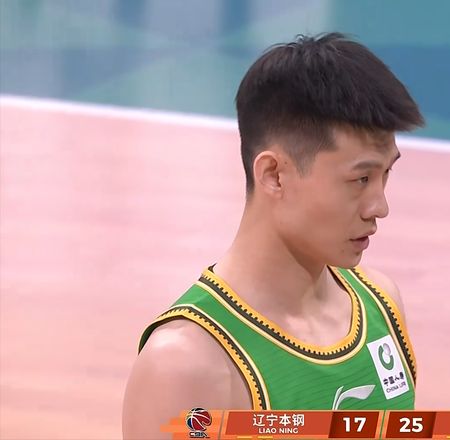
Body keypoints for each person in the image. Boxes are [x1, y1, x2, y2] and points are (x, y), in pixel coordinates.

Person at [122, 32, 424, 439]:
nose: (379, 206)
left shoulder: (382, 305)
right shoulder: (186, 365)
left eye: (386, 173)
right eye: (361, 179)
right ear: (274, 175)